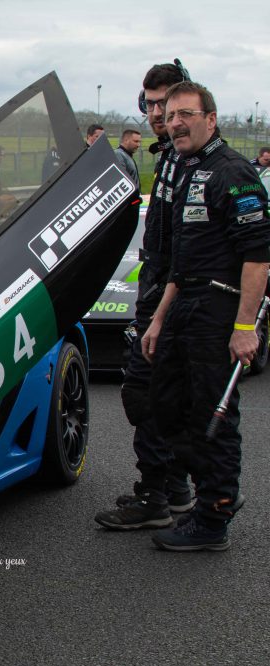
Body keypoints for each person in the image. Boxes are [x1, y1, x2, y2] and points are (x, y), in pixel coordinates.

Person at [140, 81, 270, 551]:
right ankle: (210, 494)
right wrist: (157, 319)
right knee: (166, 404)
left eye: (185, 115)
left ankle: (214, 514)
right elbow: (182, 260)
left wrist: (243, 327)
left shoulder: (233, 171)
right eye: (169, 115)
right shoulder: (187, 168)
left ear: (210, 119)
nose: (174, 123)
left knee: (212, 415)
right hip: (183, 304)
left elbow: (258, 258)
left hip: (219, 309)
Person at [96, 62, 193, 532]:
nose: (157, 113)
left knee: (146, 392)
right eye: (149, 104)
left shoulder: (194, 159)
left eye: (164, 103)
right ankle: (172, 487)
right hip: (157, 292)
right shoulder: (168, 156)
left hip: (176, 302)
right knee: (157, 395)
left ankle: (161, 495)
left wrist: (162, 309)